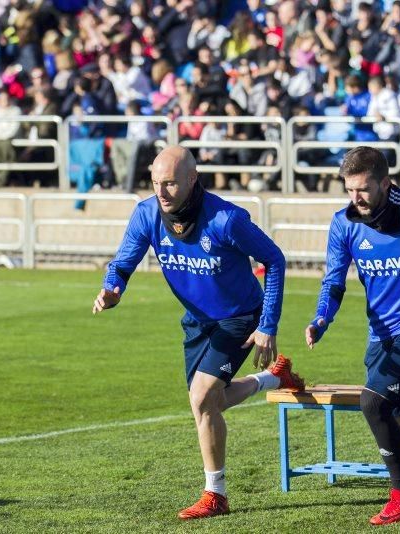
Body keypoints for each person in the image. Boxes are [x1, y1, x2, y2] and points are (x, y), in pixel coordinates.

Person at [92, 146, 305, 520]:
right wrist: (113, 289)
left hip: (240, 317)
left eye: (171, 183)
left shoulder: (226, 219)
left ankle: (215, 494)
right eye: (156, 182)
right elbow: (122, 262)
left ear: (193, 179)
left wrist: (267, 325)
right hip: (197, 320)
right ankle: (273, 379)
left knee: (203, 396)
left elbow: (274, 259)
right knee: (208, 403)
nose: (161, 192)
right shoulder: (146, 214)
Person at [304, 147, 400, 526]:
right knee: (392, 414)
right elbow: (333, 281)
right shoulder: (344, 223)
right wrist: (321, 319)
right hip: (381, 334)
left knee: (373, 404)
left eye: (363, 189)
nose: (355, 198)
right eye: (349, 190)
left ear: (385, 183)